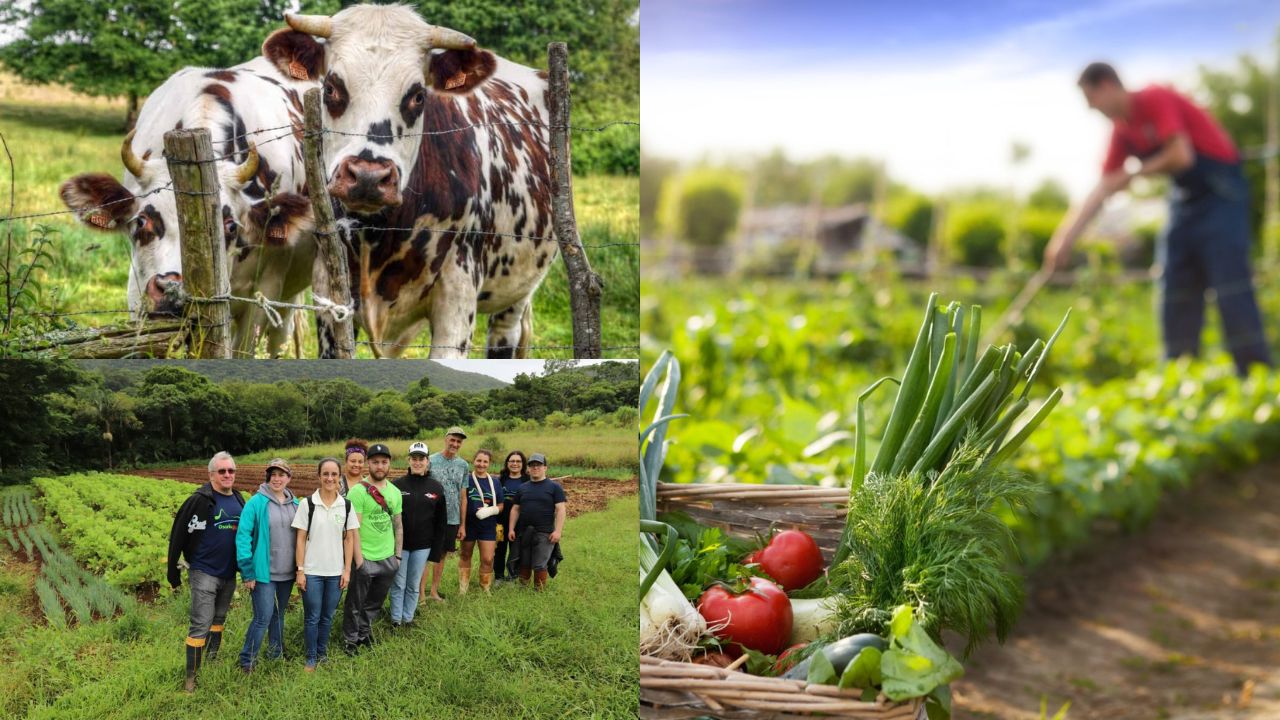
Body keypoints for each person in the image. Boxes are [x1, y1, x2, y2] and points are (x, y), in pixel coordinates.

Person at [1044, 62, 1271, 375]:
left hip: (1222, 194)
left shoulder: (1154, 98)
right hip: (1185, 200)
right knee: (1174, 285)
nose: (1091, 108)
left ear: (1107, 85)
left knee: (1230, 286)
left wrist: (1134, 171)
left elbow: (1181, 155)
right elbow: (1103, 186)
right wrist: (1063, 240)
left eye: (1091, 99)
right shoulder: (1122, 131)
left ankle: (1256, 377)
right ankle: (1179, 377)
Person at [166, 451, 245, 693]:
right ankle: (191, 677)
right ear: (211, 474)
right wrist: (173, 571)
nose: (227, 475)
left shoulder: (240, 500)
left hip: (229, 573)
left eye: (231, 470)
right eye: (222, 471)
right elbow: (178, 533)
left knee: (219, 620)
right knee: (201, 623)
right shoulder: (199, 500)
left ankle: (211, 660)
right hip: (203, 571)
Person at [292, 457, 357, 671]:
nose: (330, 478)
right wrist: (300, 570)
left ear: (340, 477)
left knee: (327, 616)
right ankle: (310, 657)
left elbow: (349, 539)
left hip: (335, 572)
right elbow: (300, 539)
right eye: (326, 474)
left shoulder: (346, 506)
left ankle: (322, 653)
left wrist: (347, 570)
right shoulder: (307, 504)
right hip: (312, 572)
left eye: (334, 474)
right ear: (319, 476)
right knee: (312, 617)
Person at [235, 458, 299, 672]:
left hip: (287, 572)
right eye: (273, 474)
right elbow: (243, 537)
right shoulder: (256, 502)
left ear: (288, 478)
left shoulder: (296, 504)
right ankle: (247, 660)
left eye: (281, 474)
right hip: (263, 573)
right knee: (262, 616)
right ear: (268, 477)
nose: (277, 478)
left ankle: (275, 653)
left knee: (279, 614)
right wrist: (247, 572)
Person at [341, 443, 403, 653]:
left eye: (383, 462)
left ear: (389, 464)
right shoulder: (358, 492)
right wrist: (359, 560)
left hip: (388, 558)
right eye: (375, 462)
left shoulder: (395, 492)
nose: (379, 466)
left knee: (375, 602)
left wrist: (398, 557)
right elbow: (353, 529)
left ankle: (364, 633)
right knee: (355, 602)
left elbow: (398, 525)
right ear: (369, 463)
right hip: (365, 557)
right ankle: (350, 639)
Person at [390, 442, 449, 624]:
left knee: (413, 585)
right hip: (400, 546)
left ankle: (408, 618)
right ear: (408, 460)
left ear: (427, 461)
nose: (417, 462)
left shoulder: (436, 488)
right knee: (398, 584)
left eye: (421, 459)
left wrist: (436, 551)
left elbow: (441, 522)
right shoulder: (396, 486)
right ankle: (395, 619)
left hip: (423, 546)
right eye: (414, 459)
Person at [507, 453, 566, 590]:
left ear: (545, 468)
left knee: (540, 563)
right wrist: (511, 529)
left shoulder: (554, 487)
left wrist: (558, 531)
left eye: (538, 465)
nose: (535, 468)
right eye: (532, 465)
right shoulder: (523, 487)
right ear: (528, 469)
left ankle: (539, 591)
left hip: (545, 532)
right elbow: (515, 509)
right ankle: (523, 588)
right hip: (524, 531)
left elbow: (560, 510)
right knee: (524, 561)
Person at [424, 427, 469, 602]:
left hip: (451, 518)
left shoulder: (463, 465)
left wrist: (462, 524)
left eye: (459, 441)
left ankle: (434, 591)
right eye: (452, 440)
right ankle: (420, 595)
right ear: (446, 439)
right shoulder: (431, 461)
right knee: (425, 556)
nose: (455, 444)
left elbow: (463, 496)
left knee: (441, 555)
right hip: (430, 517)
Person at [458, 449, 501, 594]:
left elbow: (501, 505)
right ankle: (463, 588)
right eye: (479, 461)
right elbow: (460, 501)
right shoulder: (466, 480)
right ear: (473, 461)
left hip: (488, 525)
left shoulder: (495, 482)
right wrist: (461, 525)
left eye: (485, 461)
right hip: (468, 524)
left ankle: (485, 587)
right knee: (465, 554)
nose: (481, 464)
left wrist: (490, 510)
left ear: (489, 464)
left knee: (488, 558)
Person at [494, 450, 528, 582]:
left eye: (518, 461)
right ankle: (498, 576)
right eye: (512, 461)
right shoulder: (499, 480)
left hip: (520, 522)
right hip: (500, 522)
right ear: (507, 463)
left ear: (523, 464)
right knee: (499, 550)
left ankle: (513, 576)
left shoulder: (527, 481)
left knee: (516, 550)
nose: (515, 463)